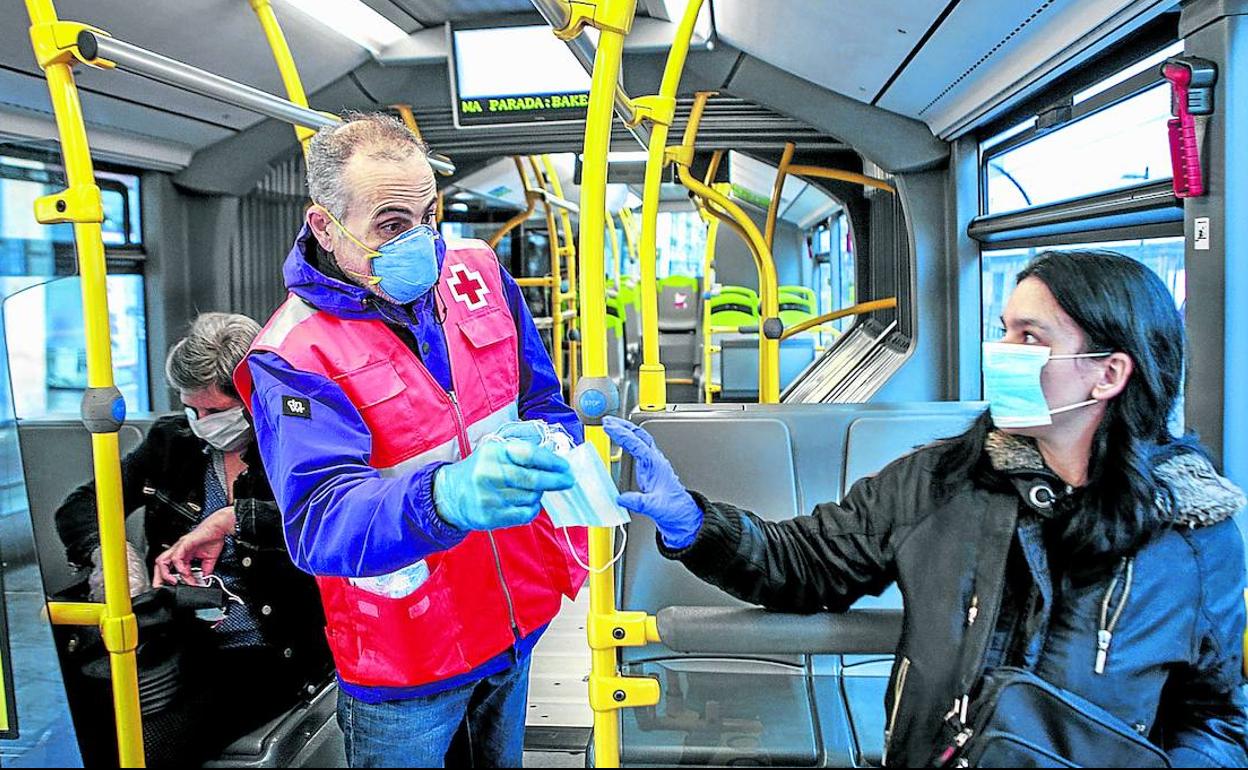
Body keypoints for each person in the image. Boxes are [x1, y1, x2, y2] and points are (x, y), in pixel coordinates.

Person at [606, 250, 1248, 767]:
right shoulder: (944, 482)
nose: (1001, 352)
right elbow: (807, 563)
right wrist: (690, 521)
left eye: (1029, 337)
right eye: (1003, 330)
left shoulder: (1194, 537)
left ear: (1107, 374)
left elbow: (1215, 715)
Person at [233, 113, 588, 768]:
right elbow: (321, 522)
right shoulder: (294, 354)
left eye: (429, 217)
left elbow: (541, 400)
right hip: (408, 655)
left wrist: (557, 451)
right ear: (324, 227)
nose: (422, 242)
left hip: (514, 614)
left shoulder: (479, 275)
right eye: (393, 225)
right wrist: (444, 497)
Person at [55, 312, 332, 766]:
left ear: (254, 396)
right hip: (179, 638)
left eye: (215, 412)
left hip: (268, 648)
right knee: (82, 722)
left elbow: (328, 521)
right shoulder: (173, 442)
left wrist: (234, 519)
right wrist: (109, 552)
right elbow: (84, 502)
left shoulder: (299, 441)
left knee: (147, 749)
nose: (201, 422)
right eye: (192, 410)